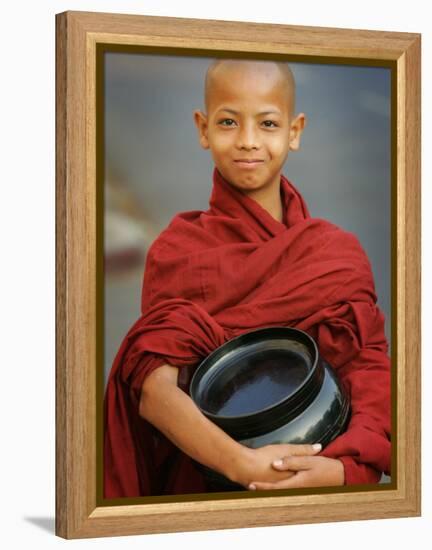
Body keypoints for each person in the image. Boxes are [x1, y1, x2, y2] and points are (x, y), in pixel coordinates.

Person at [103, 59, 391, 498]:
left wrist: (347, 470)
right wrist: (241, 465)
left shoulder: (335, 254)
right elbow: (154, 391)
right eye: (228, 122)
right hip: (209, 483)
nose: (248, 141)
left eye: (268, 123)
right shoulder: (178, 251)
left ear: (294, 132)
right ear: (203, 129)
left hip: (322, 472)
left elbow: (368, 368)